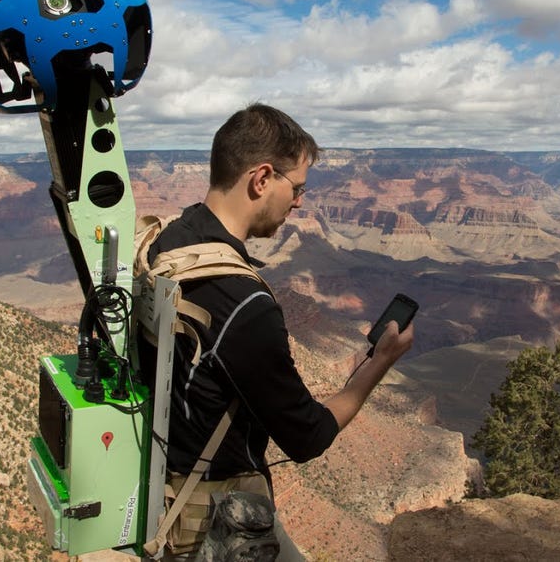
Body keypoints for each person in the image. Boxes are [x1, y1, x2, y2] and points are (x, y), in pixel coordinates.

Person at [141, 103, 414, 559]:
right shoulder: (243, 303)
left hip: (161, 488)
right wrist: (380, 363)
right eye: (297, 187)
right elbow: (308, 436)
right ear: (261, 178)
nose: (300, 202)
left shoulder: (170, 239)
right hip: (211, 524)